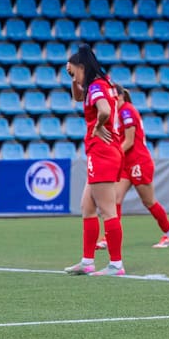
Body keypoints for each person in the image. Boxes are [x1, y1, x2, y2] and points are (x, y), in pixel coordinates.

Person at [63, 45, 126, 277]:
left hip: (103, 151)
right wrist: (73, 79)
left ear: (82, 67)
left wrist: (99, 127)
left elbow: (105, 110)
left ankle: (116, 264)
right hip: (102, 152)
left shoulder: (97, 87)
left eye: (74, 72)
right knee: (87, 208)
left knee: (107, 210)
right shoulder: (101, 84)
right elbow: (79, 96)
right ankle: (87, 261)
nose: (73, 77)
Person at [109, 86, 169, 249]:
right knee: (114, 199)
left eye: (113, 98)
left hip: (139, 162)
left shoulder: (127, 111)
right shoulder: (119, 113)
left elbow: (129, 141)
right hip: (127, 163)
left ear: (120, 97)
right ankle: (110, 237)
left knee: (148, 201)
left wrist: (113, 154)